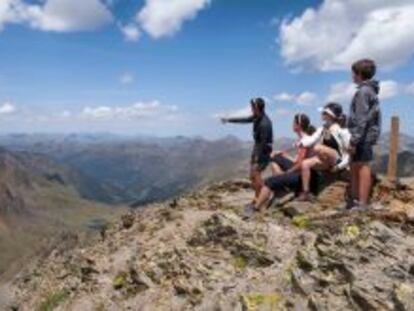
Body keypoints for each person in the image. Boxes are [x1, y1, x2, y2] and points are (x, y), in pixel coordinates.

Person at [245, 113, 318, 214]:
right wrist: (284, 155)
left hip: (303, 176)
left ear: (299, 125)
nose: (292, 124)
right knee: (275, 157)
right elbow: (298, 161)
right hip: (302, 172)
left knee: (269, 181)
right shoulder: (304, 138)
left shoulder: (304, 141)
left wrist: (287, 172)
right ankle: (281, 185)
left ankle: (255, 208)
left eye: (294, 122)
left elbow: (300, 164)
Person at [221, 98, 273, 201]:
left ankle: (263, 197)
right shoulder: (257, 117)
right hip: (258, 149)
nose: (251, 109)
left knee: (256, 175)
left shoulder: (264, 123)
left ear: (257, 108)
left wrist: (257, 158)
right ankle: (258, 197)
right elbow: (244, 120)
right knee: (252, 177)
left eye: (252, 107)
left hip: (262, 151)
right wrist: (228, 120)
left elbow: (264, 143)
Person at [298, 102, 351, 201]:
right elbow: (312, 139)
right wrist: (302, 143)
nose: (322, 114)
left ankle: (337, 169)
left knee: (318, 148)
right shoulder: (322, 128)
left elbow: (348, 153)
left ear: (330, 115)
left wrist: (340, 166)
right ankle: (306, 192)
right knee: (305, 164)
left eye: (324, 113)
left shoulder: (342, 131)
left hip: (339, 161)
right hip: (328, 161)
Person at [348, 59, 381, 210]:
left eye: (354, 73)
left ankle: (362, 203)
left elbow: (361, 119)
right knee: (356, 165)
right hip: (365, 135)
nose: (352, 76)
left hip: (363, 136)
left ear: (360, 74)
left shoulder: (363, 92)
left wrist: (354, 140)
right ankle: (355, 201)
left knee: (362, 167)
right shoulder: (370, 90)